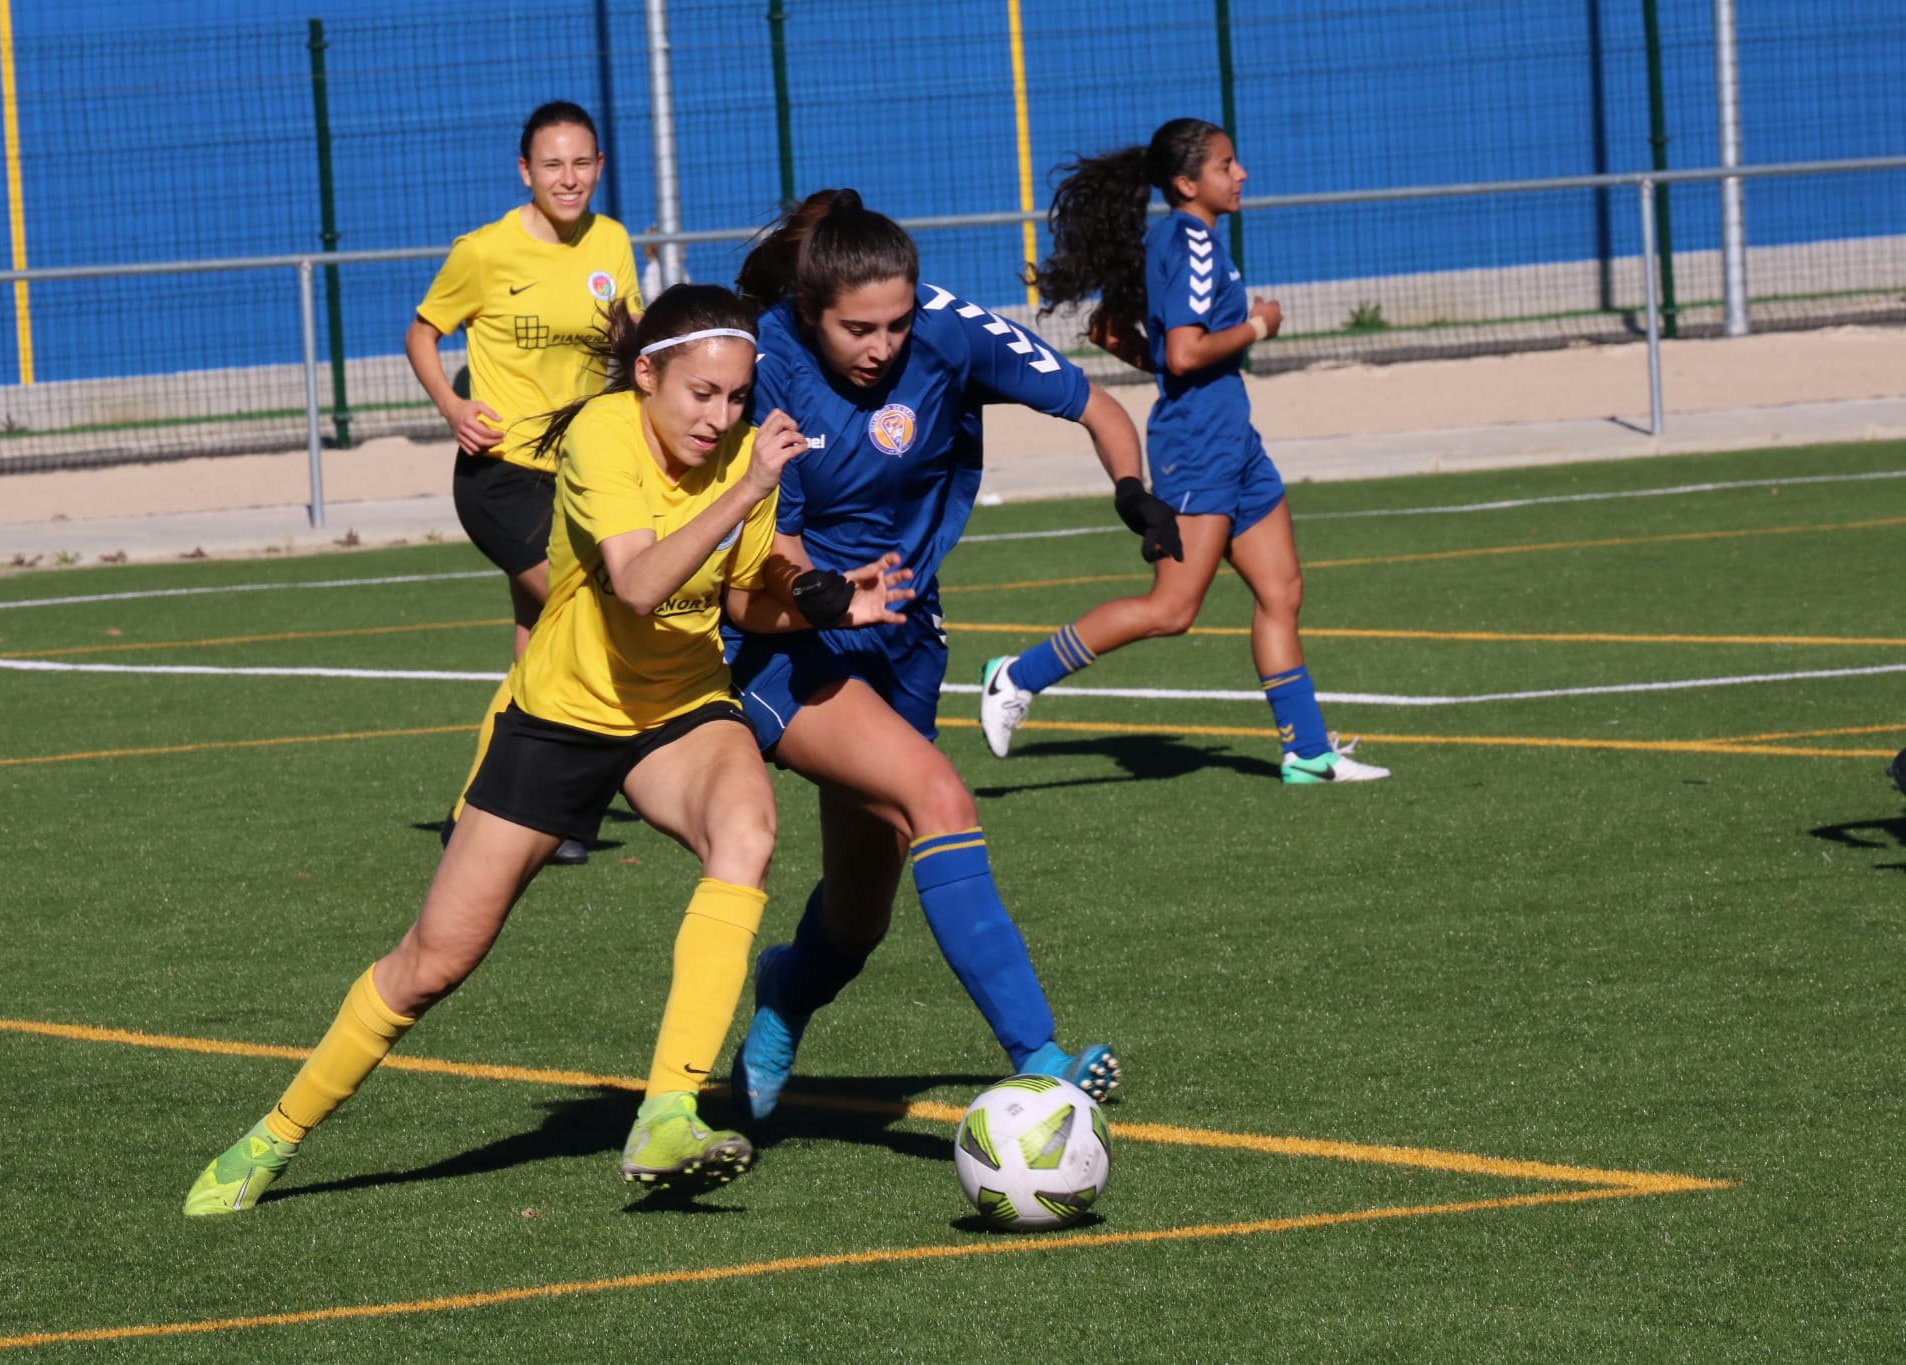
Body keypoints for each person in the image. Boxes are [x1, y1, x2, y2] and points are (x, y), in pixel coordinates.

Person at [184, 285, 910, 1214]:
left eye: (735, 397)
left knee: (748, 831)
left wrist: (824, 599)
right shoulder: (604, 436)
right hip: (561, 716)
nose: (720, 416)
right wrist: (748, 488)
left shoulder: (742, 452)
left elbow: (736, 599)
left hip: (679, 706)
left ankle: (667, 1112)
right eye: (701, 394)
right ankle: (272, 1137)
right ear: (647, 375)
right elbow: (641, 582)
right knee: (433, 961)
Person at [721, 189, 1182, 1121]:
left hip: (905, 641)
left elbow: (1096, 406)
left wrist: (1133, 491)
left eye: (897, 322)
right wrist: (817, 590)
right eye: (858, 329)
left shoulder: (949, 331)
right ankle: (1042, 1056)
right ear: (811, 311)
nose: (883, 346)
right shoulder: (762, 361)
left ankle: (784, 994)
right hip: (788, 641)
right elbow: (762, 541)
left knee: (859, 915)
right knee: (939, 797)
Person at [979, 119, 1390, 785]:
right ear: (1186, 183)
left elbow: (1111, 331)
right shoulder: (1191, 243)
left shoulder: (1179, 239)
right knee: (1171, 609)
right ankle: (1015, 676)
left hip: (1233, 441)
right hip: (1199, 448)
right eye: (1227, 164)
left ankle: (1307, 753)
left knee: (1282, 589)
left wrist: (1177, 369)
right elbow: (1185, 350)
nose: (1241, 174)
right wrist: (1259, 324)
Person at [405, 100, 645, 865]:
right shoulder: (485, 252)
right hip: (500, 477)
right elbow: (421, 332)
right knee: (593, 621)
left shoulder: (612, 241)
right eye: (552, 165)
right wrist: (451, 406)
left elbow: (629, 342)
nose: (568, 178)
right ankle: (565, 811)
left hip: (579, 478)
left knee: (536, 652)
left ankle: (482, 816)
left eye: (582, 164)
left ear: (600, 168)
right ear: (525, 172)